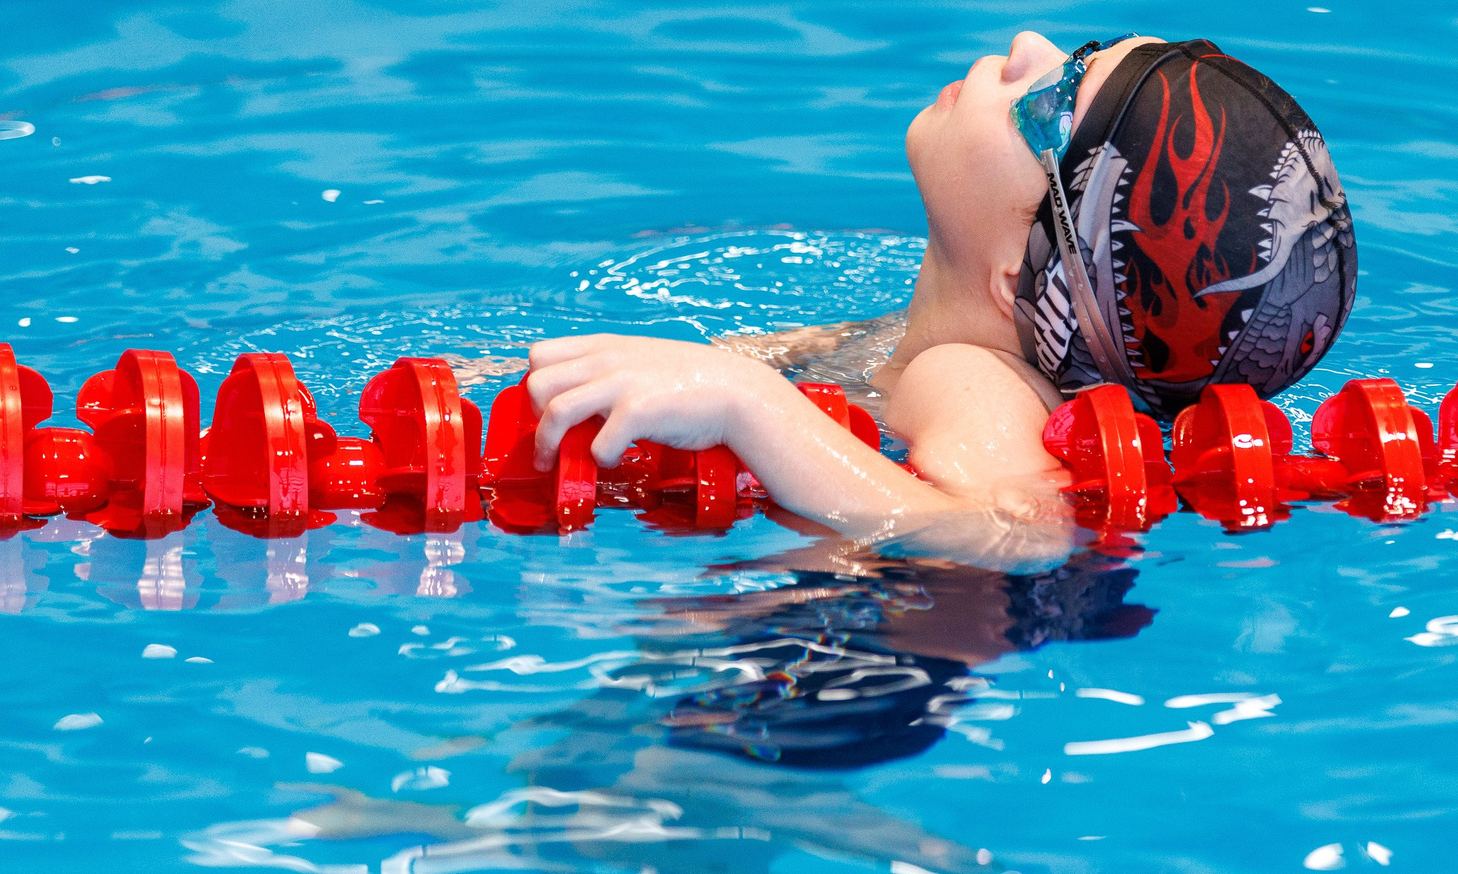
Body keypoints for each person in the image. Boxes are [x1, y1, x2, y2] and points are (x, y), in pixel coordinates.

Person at [524, 33, 1355, 558]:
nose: (1029, 45)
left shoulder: (974, 381)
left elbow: (1009, 534)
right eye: (1080, 51)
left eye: (1054, 103)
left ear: (1018, 273)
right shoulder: (933, 338)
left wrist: (749, 406)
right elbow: (768, 361)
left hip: (872, 659)